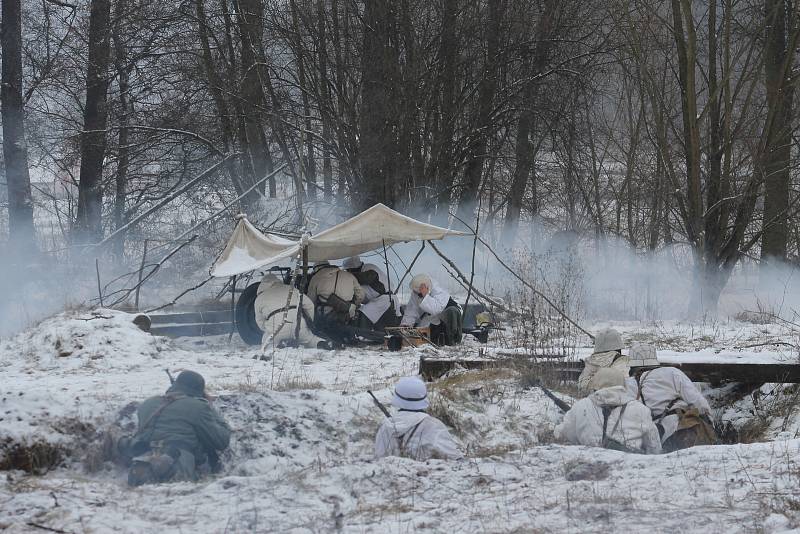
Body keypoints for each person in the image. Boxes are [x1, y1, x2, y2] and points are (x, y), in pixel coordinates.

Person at [127, 370, 231, 486]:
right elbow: (222, 440)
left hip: (141, 466)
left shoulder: (148, 403)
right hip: (177, 468)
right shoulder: (199, 407)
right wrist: (209, 406)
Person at [627, 344, 716, 451]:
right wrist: (710, 424)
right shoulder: (672, 372)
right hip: (683, 428)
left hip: (655, 436)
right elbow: (697, 401)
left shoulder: (630, 384)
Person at [555, 368, 662, 454]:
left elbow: (562, 434)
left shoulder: (582, 405)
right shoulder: (640, 409)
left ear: (595, 385)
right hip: (630, 468)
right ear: (623, 385)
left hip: (591, 467)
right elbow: (654, 447)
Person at [375, 376, 463, 461]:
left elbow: (380, 458)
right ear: (424, 398)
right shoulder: (433, 425)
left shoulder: (385, 427)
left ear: (397, 398)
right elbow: (455, 458)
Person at [254, 272, 327, 349]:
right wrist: (310, 321)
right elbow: (310, 305)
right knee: (310, 339)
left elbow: (260, 321)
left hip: (276, 328)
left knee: (267, 343)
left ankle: (280, 345)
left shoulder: (260, 298)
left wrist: (267, 328)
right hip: (298, 325)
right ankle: (323, 344)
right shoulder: (292, 289)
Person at [306, 261, 365, 343]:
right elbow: (361, 295)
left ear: (317, 269)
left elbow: (310, 301)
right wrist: (354, 305)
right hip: (347, 313)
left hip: (325, 314)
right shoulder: (349, 275)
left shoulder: (316, 277)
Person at [400, 274, 463, 346]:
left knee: (452, 312)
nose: (417, 294)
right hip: (433, 322)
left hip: (449, 319)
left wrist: (425, 296)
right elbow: (412, 310)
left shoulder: (438, 291)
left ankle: (453, 341)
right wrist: (406, 324)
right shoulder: (416, 292)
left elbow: (436, 309)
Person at [343, 255, 401, 330]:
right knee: (380, 327)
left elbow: (367, 278)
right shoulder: (364, 270)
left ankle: (361, 337)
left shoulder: (368, 268)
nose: (348, 272)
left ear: (352, 269)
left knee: (362, 315)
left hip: (384, 300)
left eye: (348, 270)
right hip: (382, 302)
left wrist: (347, 276)